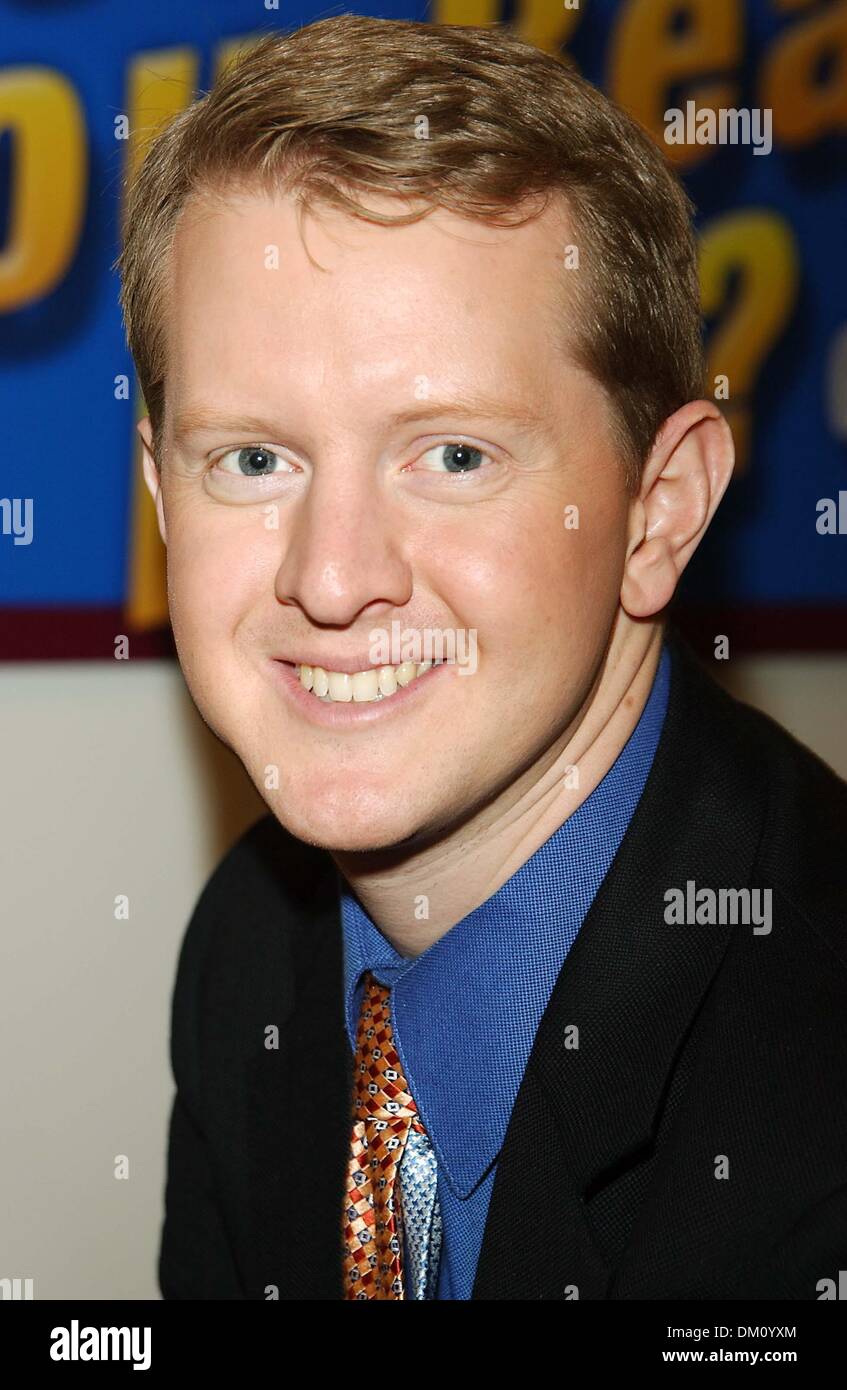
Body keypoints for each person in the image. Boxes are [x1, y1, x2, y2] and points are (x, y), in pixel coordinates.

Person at [116, 14, 847, 1300]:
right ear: (163, 499)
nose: (331, 576)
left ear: (659, 508)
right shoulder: (250, 953)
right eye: (253, 459)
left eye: (453, 455)